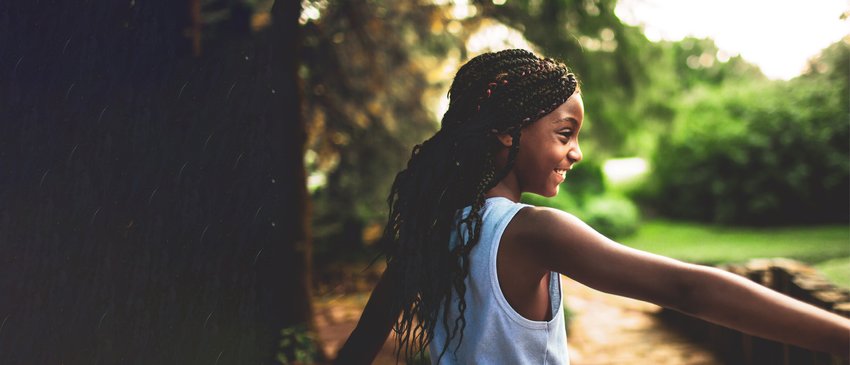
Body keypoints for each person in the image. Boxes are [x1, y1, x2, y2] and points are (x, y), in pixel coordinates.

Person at [334, 49, 850, 364]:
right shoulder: (532, 232)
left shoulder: (436, 227)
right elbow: (686, 288)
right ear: (506, 130)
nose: (575, 153)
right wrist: (841, 335)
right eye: (565, 134)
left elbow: (361, 344)